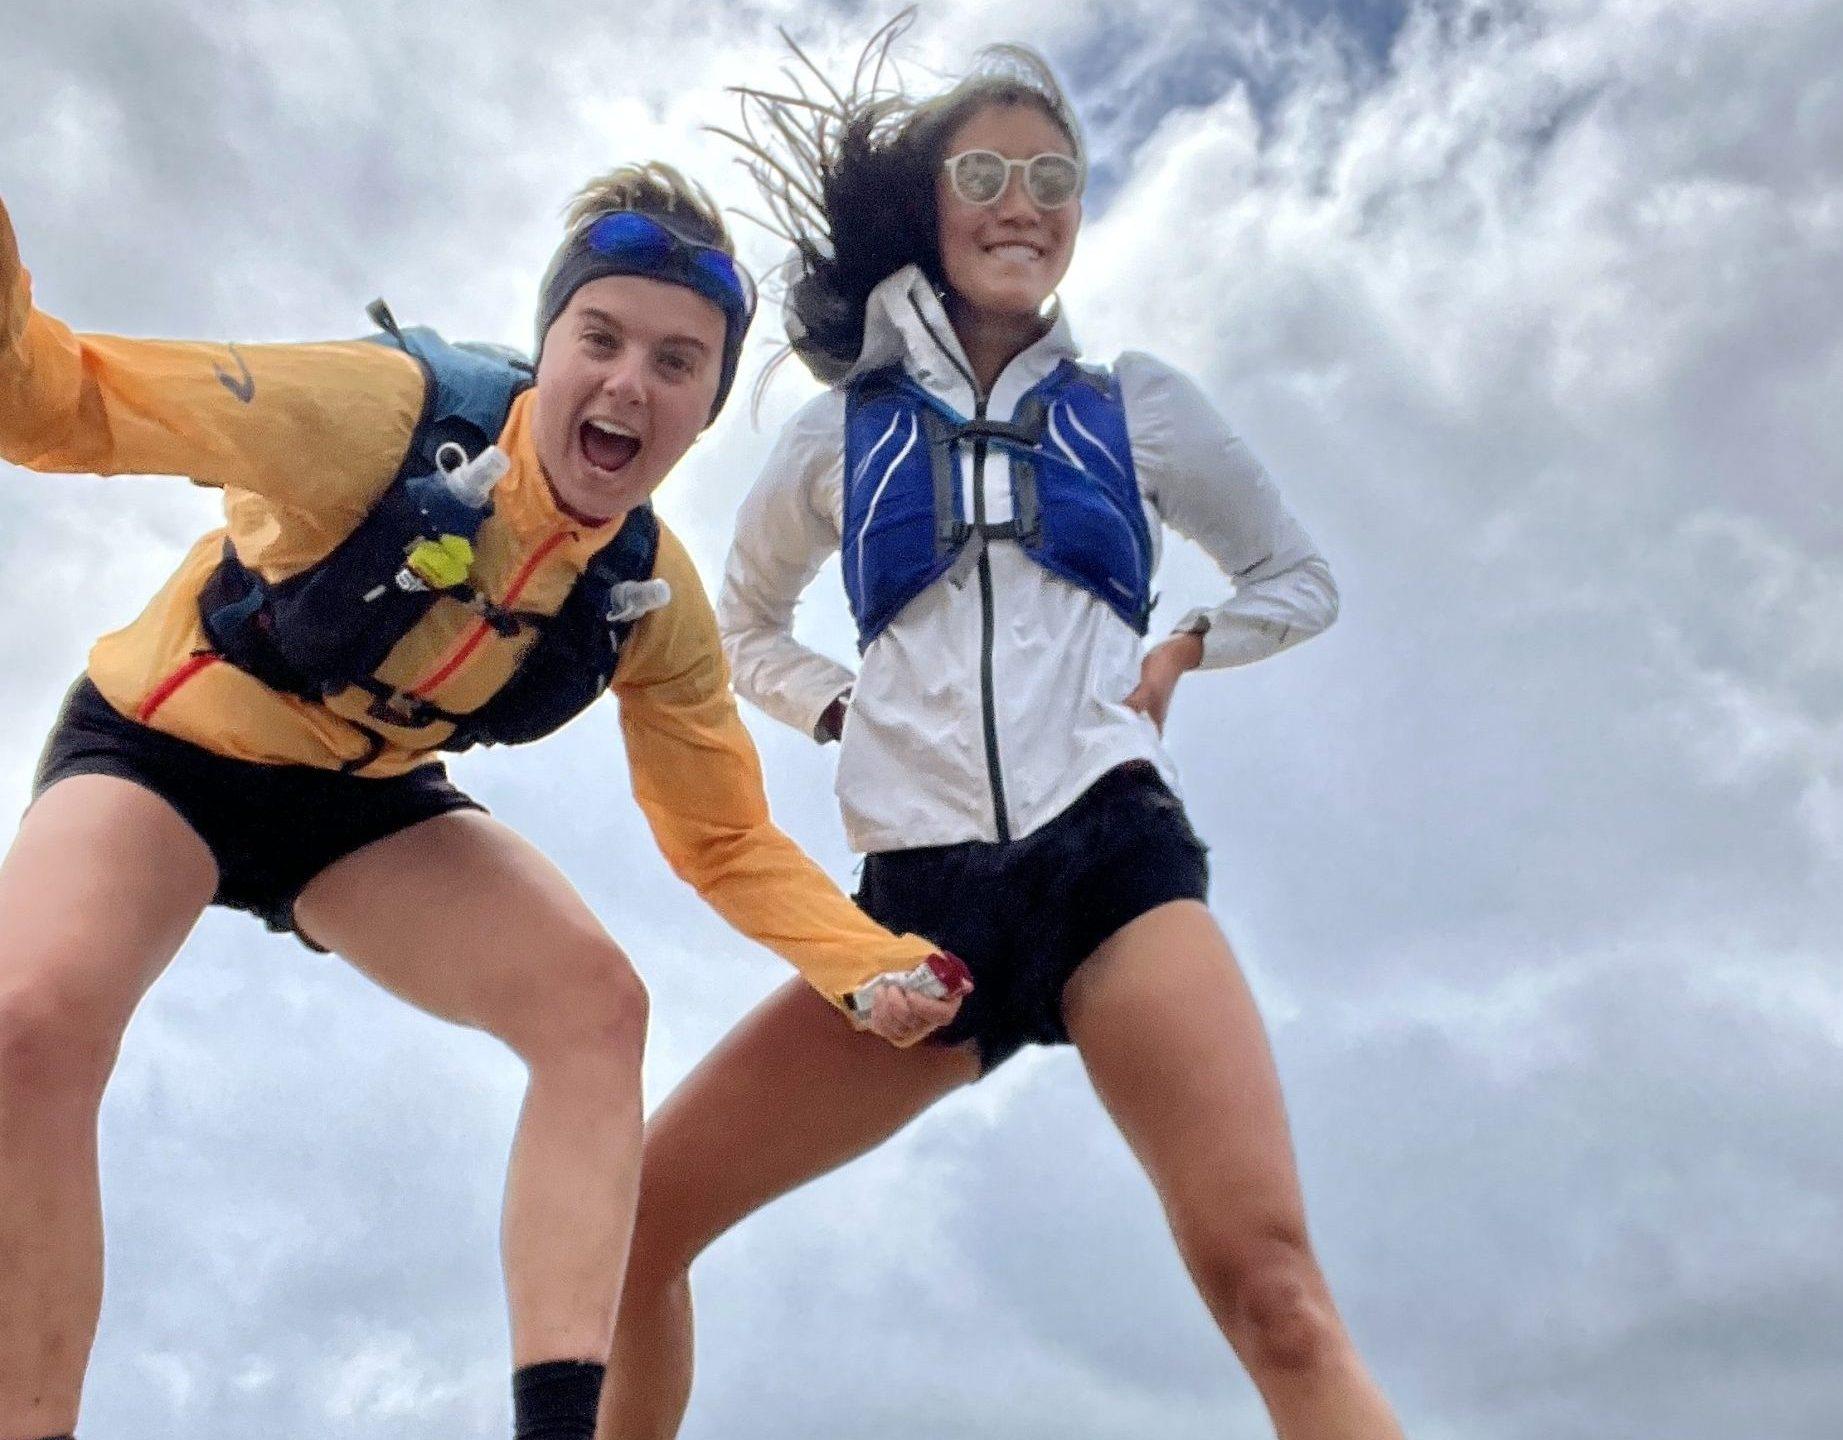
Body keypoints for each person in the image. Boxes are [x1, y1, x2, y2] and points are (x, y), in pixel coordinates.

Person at [0, 161, 966, 1440]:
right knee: (27, 1029)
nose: (630, 383)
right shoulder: (372, 413)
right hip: (163, 748)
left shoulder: (648, 598)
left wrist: (869, 964)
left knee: (596, 1007)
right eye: (602, 339)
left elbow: (723, 836)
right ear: (548, 342)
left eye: (677, 364)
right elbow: (54, 403)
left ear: (702, 411)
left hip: (357, 803)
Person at [600, 26, 1407, 1440]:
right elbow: (740, 627)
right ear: (930, 205)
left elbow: (1299, 577)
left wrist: (1187, 646)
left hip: (1111, 868)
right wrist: (839, 704)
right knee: (628, 1229)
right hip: (917, 923)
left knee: (1271, 1289)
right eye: (983, 170)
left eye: (1055, 175)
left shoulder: (1135, 404)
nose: (1021, 199)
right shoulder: (836, 433)